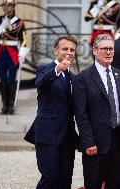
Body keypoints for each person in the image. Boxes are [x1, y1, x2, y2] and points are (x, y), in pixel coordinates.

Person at [73, 34, 120, 189]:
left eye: (111, 49)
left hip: (119, 142)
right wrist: (88, 141)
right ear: (94, 50)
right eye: (104, 49)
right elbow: (81, 114)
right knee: (93, 184)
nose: (108, 52)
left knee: (116, 184)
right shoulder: (83, 78)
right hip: (95, 143)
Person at [26, 36, 78, 189]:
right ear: (56, 51)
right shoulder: (45, 69)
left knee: (65, 180)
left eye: (72, 50)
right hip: (47, 134)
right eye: (65, 49)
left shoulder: (74, 78)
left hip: (67, 137)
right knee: (50, 179)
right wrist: (57, 69)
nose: (69, 52)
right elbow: (40, 83)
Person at [0, 0, 27, 114]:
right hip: (1, 52)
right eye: (5, 6)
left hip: (13, 52)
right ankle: (4, 105)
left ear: (14, 7)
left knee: (11, 79)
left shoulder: (19, 22)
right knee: (3, 79)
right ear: (3, 7)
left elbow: (24, 40)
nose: (7, 8)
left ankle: (11, 105)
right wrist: (2, 25)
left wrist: (22, 55)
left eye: (10, 5)